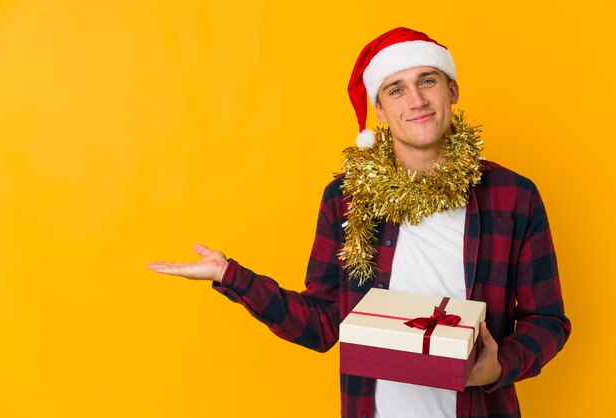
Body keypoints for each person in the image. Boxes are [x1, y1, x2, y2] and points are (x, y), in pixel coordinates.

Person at [148, 28, 571, 418]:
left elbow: (548, 320)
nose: (416, 101)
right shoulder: (346, 200)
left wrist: (499, 366)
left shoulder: (513, 196)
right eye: (396, 89)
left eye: (428, 80)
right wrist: (232, 277)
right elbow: (326, 324)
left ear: (452, 90)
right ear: (381, 111)